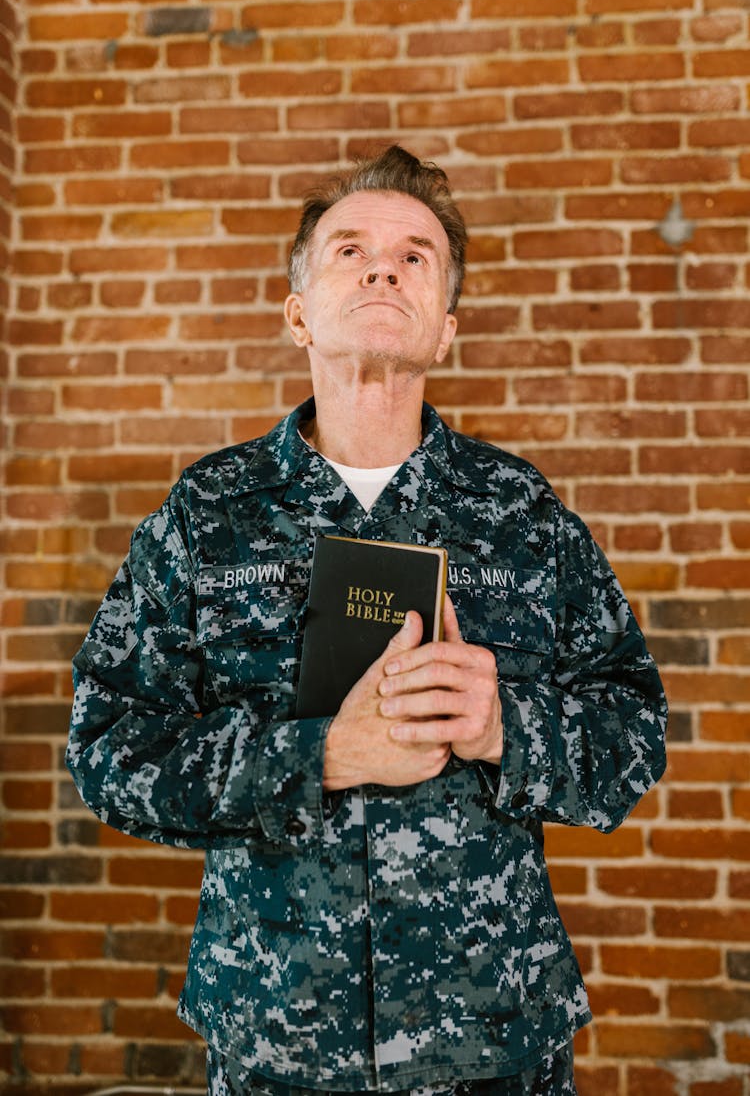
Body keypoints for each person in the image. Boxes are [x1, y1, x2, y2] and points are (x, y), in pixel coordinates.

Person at [67, 146, 668, 1096]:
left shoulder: (523, 511)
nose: (385, 267)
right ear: (297, 311)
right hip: (279, 1044)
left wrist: (504, 724)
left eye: (416, 256)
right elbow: (106, 749)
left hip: (493, 1041)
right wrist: (319, 756)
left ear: (447, 330)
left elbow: (635, 730)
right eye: (351, 250)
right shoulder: (206, 513)